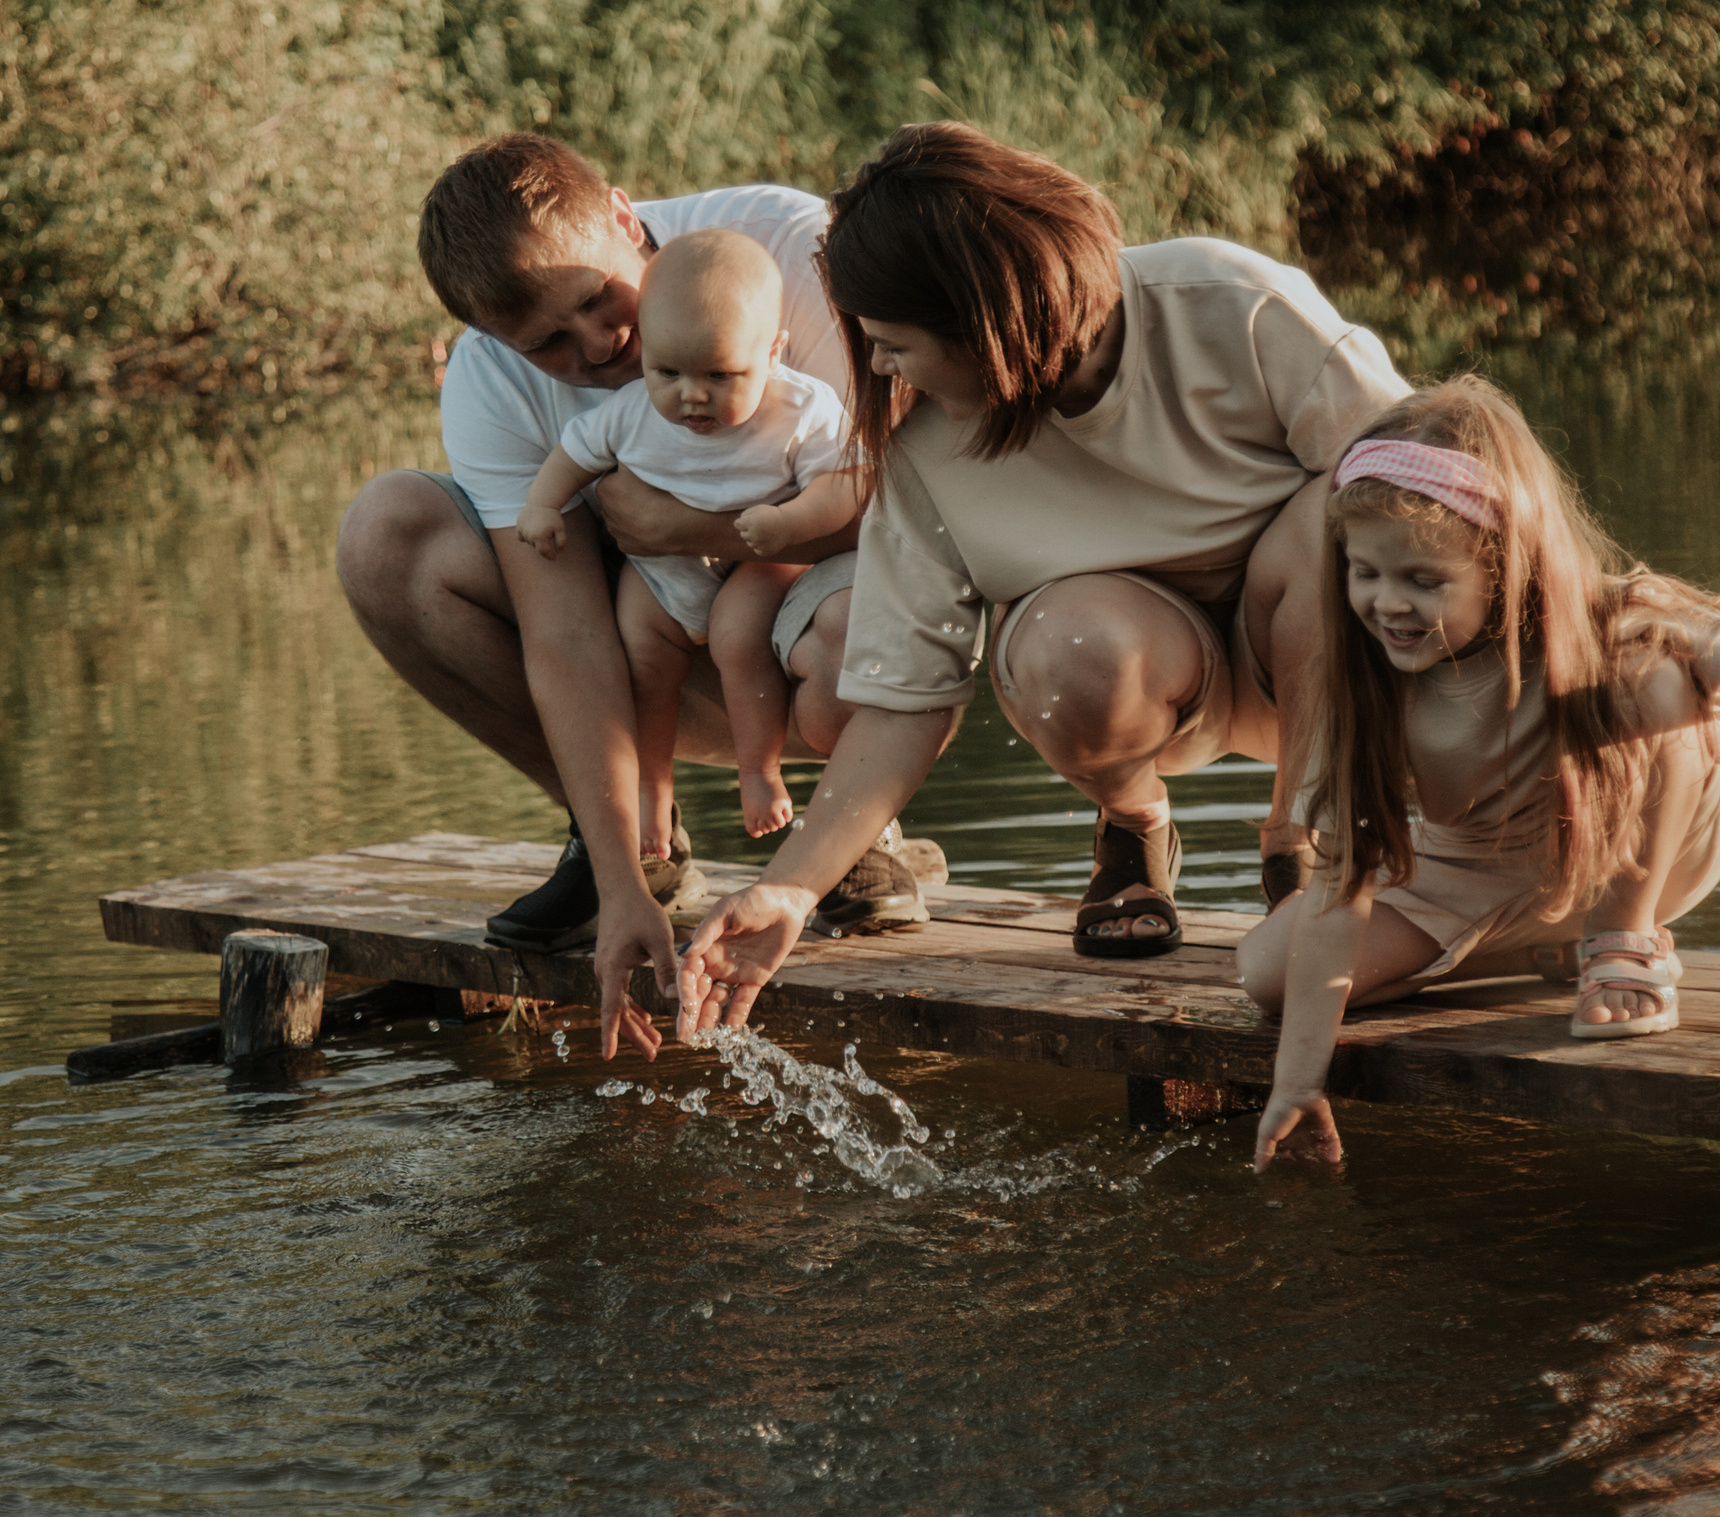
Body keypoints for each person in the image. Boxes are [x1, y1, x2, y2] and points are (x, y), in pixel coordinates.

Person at [678, 122, 1412, 1033]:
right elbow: (903, 702)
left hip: (1325, 655)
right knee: (1072, 644)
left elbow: (1438, 484)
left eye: (894, 341)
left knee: (1354, 500)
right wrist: (788, 889)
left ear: (983, 315)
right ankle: (1135, 824)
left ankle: (1303, 842)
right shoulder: (925, 453)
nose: (875, 366)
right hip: (1139, 681)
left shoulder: (1228, 300)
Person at [338, 135, 932, 1062]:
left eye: (597, 302)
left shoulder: (786, 249)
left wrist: (688, 530)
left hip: (813, 603)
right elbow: (564, 631)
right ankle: (630, 851)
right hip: (650, 635)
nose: (599, 347)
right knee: (383, 535)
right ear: (496, 340)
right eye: (546, 343)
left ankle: (850, 827)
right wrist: (622, 883)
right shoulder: (492, 384)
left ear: (624, 217)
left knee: (852, 626)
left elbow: (911, 508)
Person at [1234, 378, 1720, 1171]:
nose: (1387, 603)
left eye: (1423, 580)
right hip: (1474, 863)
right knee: (1268, 975)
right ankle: (1552, 945)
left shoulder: (1604, 618)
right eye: (1366, 572)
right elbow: (1341, 884)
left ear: (1508, 564)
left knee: (1659, 672)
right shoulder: (1363, 682)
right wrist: (1296, 1083)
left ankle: (1619, 938)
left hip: (1636, 843)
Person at [514, 229, 866, 847]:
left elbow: (844, 486)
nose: (691, 395)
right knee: (643, 657)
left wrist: (789, 523)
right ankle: (654, 791)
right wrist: (543, 505)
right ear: (647, 350)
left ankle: (760, 772)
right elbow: (575, 452)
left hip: (764, 556)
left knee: (738, 638)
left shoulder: (802, 409)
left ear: (773, 352)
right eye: (668, 371)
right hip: (666, 567)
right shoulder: (632, 412)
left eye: (722, 375)